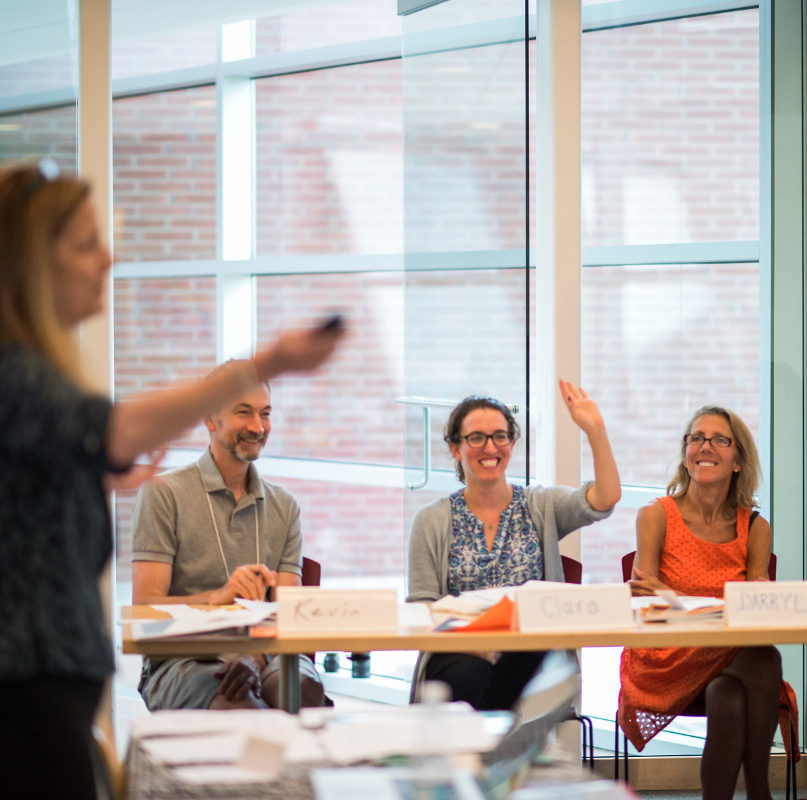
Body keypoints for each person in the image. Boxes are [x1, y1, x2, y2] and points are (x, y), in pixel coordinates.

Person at [0, 161, 343, 800]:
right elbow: (116, 429)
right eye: (84, 244)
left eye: (266, 409)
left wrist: (88, 479)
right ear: (31, 265)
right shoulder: (19, 369)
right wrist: (270, 360)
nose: (108, 259)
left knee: (301, 712)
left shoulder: (283, 505)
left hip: (53, 681)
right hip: (33, 687)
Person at [407, 381, 621, 710]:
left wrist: (595, 429)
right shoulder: (431, 520)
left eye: (500, 436)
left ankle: (482, 756)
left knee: (520, 663)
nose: (489, 447)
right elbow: (422, 608)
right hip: (459, 652)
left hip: (530, 652)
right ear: (455, 448)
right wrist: (479, 646)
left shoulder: (542, 505)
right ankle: (503, 756)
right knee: (473, 677)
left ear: (512, 442)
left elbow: (605, 498)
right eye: (476, 437)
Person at [132, 368, 325, 711]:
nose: (257, 426)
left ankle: (299, 764)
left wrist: (255, 657)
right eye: (243, 412)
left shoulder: (284, 506)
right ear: (209, 418)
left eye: (265, 414)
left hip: (266, 651)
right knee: (238, 704)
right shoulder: (163, 494)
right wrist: (219, 597)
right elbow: (146, 608)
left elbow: (289, 612)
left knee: (301, 690)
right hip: (183, 656)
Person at [619, 405, 782, 800]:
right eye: (697, 438)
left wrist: (685, 601)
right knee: (766, 660)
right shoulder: (655, 516)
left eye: (719, 440)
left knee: (729, 691)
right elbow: (648, 606)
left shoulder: (755, 527)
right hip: (666, 657)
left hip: (727, 659)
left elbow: (754, 613)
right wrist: (720, 609)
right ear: (686, 451)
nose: (705, 446)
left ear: (738, 459)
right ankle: (760, 793)